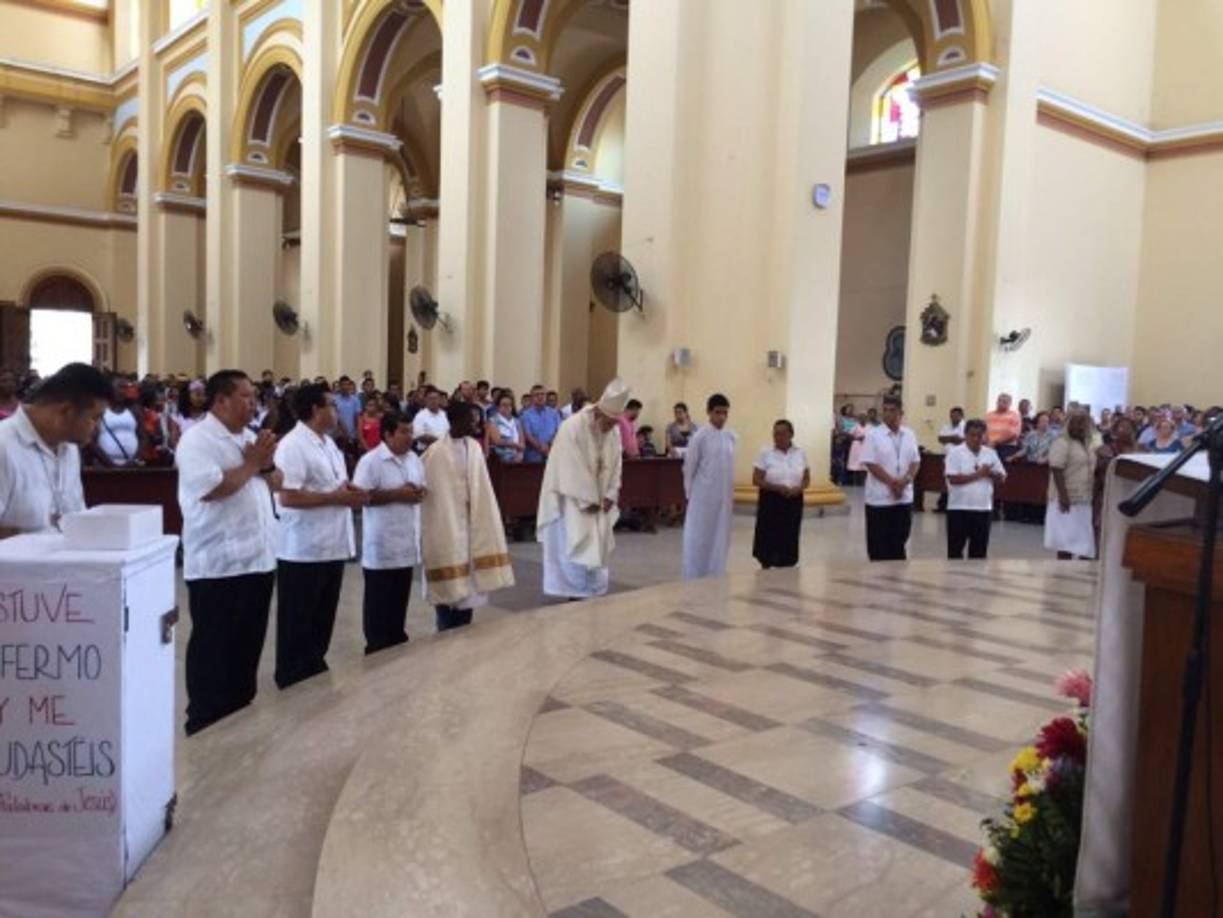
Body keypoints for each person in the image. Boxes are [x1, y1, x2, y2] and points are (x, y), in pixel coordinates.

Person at [175, 370, 279, 735]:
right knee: (214, 653)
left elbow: (272, 481)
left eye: (254, 397)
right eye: (246, 396)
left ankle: (238, 717)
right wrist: (253, 464)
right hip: (219, 565)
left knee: (245, 653)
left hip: (258, 560)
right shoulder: (196, 441)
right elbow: (213, 489)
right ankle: (204, 725)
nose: (254, 403)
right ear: (221, 400)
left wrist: (266, 466)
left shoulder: (249, 438)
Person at [273, 384, 369, 688]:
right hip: (303, 548)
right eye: (332, 405)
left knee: (322, 618)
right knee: (298, 619)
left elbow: (336, 485)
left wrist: (352, 491)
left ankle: (313, 670)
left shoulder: (328, 444)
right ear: (315, 410)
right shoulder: (293, 445)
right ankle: (292, 677)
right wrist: (336, 498)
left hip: (332, 544)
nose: (337, 411)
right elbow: (288, 497)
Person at [420, 400, 515, 630]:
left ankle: (463, 633)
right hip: (447, 525)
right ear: (454, 421)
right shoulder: (435, 453)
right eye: (470, 420)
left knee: (469, 593)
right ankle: (444, 631)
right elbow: (429, 494)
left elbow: (482, 485)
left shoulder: (474, 447)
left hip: (472, 527)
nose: (475, 424)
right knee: (447, 594)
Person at [537, 379, 628, 599]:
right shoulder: (572, 427)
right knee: (576, 548)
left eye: (615, 423)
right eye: (609, 422)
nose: (612, 427)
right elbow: (567, 466)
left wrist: (610, 494)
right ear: (598, 412)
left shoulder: (613, 432)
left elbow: (617, 465)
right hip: (574, 501)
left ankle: (592, 593)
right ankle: (574, 595)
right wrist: (587, 500)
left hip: (600, 502)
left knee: (596, 553)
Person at [0, 362, 109, 538]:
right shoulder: (4, 445)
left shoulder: (70, 449)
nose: (98, 427)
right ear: (66, 411)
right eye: (94, 417)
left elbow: (76, 516)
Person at [352, 411, 426, 654]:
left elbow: (421, 488)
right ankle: (376, 650)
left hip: (406, 545)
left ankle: (396, 648)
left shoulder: (414, 459)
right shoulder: (371, 461)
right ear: (388, 434)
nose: (410, 437)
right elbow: (359, 497)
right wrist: (397, 494)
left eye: (411, 432)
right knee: (379, 610)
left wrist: (418, 493)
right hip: (381, 547)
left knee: (398, 607)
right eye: (404, 432)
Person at [860, 395, 921, 561]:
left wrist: (905, 481)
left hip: (903, 498)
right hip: (880, 499)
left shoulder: (909, 434)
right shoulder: (873, 435)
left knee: (899, 541)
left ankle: (897, 578)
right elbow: (871, 463)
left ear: (901, 413)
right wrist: (893, 483)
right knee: (879, 544)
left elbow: (915, 462)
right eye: (885, 410)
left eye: (892, 410)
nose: (887, 414)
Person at [682, 393, 736, 579]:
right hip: (702, 497)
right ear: (709, 412)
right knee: (700, 536)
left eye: (725, 413)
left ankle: (716, 571)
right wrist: (689, 494)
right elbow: (689, 467)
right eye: (717, 412)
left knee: (720, 535)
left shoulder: (730, 436)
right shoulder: (700, 437)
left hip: (723, 498)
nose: (721, 417)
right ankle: (695, 574)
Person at [751, 419, 810, 569]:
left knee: (790, 532)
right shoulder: (766, 452)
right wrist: (776, 487)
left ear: (791, 434)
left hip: (794, 499)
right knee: (769, 532)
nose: (778, 437)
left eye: (782, 434)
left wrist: (799, 488)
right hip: (771, 498)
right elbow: (756, 479)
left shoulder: (800, 453)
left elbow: (807, 478)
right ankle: (767, 561)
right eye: (775, 434)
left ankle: (788, 561)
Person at [943, 419, 1006, 559]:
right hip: (959, 509)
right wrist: (978, 475)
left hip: (983, 509)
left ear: (985, 436)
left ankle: (977, 580)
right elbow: (953, 479)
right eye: (972, 435)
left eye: (980, 435)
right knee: (955, 551)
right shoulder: (955, 453)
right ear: (965, 435)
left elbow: (1002, 477)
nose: (976, 439)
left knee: (979, 553)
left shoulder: (990, 453)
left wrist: (989, 473)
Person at [1045, 411, 1096, 560]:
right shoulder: (1062, 442)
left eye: (1083, 423)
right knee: (1065, 540)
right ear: (1068, 424)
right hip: (1065, 497)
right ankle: (1063, 573)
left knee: (1083, 538)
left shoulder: (1086, 444)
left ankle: (1080, 573)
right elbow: (1056, 468)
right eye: (1076, 422)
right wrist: (1063, 496)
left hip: (1083, 497)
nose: (1080, 427)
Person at [92, 379, 144, 467]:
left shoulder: (134, 411)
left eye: (125, 388)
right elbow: (92, 441)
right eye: (119, 387)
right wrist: (110, 464)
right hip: (104, 465)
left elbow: (143, 437)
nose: (121, 391)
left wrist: (135, 459)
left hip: (131, 464)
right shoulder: (101, 410)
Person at [521, 384, 561, 462]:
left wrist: (549, 445)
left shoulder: (554, 413)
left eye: (542, 394)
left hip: (552, 451)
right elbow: (527, 435)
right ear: (532, 398)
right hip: (533, 454)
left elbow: (558, 431)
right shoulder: (526, 415)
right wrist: (541, 447)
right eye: (536, 395)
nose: (540, 397)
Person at [487, 392, 524, 463]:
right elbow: (497, 441)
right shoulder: (493, 421)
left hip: (518, 459)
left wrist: (520, 453)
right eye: (504, 405)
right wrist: (515, 445)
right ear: (498, 406)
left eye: (509, 405)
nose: (507, 407)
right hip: (501, 459)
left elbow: (522, 442)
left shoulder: (517, 421)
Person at [411, 386, 449, 451]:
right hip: (426, 451)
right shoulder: (420, 416)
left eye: (435, 398)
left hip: (444, 450)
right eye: (430, 398)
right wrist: (439, 441)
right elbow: (419, 436)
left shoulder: (445, 415)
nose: (433, 401)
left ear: (439, 400)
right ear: (425, 400)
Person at [985, 393, 1022, 459]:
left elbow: (1014, 434)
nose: (1001, 403)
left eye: (1004, 402)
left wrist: (996, 442)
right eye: (999, 401)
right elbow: (983, 430)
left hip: (1006, 447)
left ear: (1010, 404)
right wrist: (987, 442)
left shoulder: (1014, 415)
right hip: (988, 445)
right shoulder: (989, 415)